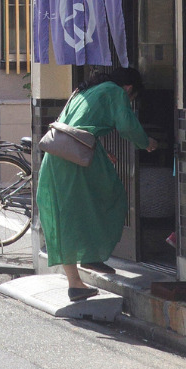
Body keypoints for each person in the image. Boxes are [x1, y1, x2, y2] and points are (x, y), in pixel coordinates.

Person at [36, 67, 158, 301]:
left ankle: (77, 279)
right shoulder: (115, 91)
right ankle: (88, 260)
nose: (129, 101)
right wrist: (146, 141)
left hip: (57, 156)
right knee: (112, 199)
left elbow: (77, 128)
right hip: (74, 160)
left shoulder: (84, 91)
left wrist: (101, 150)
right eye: (131, 99)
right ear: (129, 88)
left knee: (68, 214)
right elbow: (126, 126)